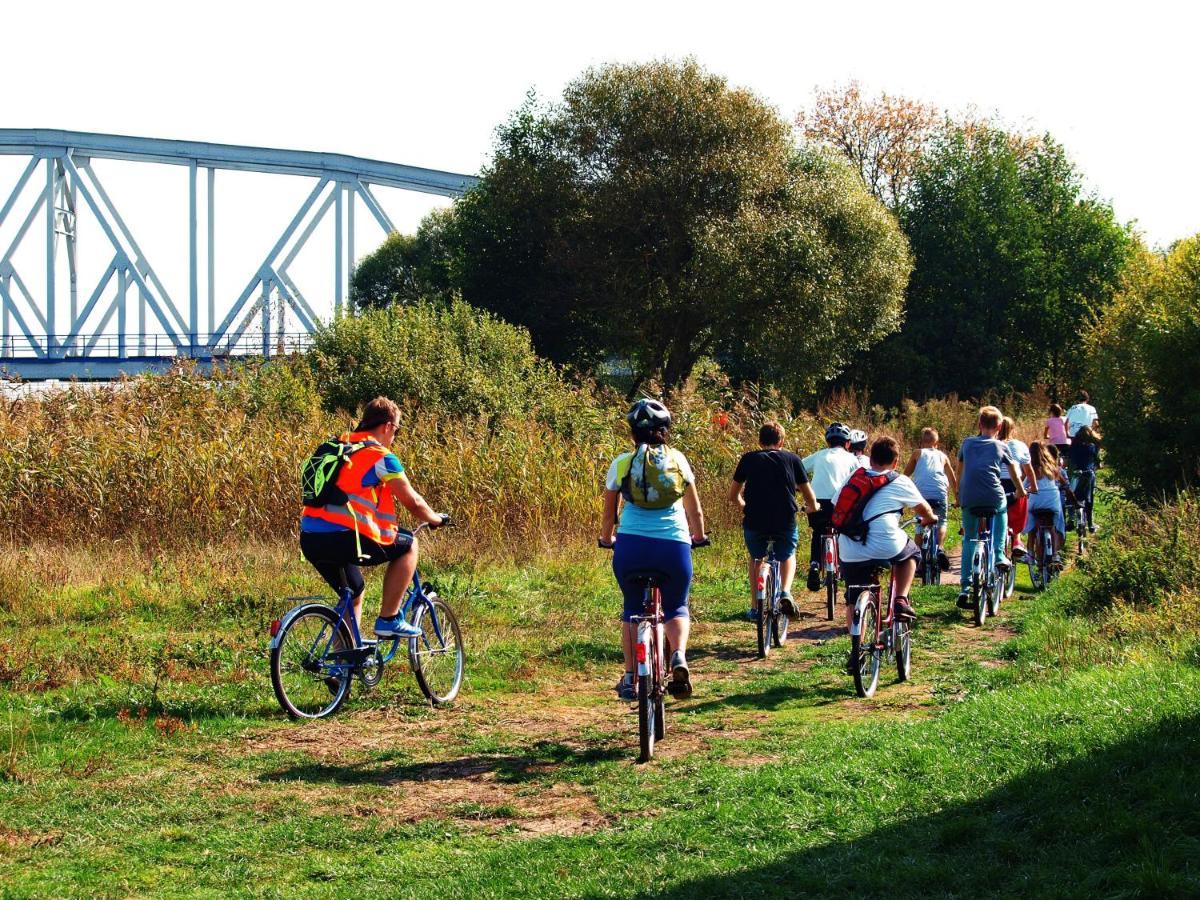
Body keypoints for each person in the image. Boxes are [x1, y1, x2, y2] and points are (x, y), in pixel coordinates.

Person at [300, 396, 448, 640]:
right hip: (346, 537)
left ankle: (342, 665)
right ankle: (389, 619)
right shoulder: (380, 456)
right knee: (409, 544)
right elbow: (413, 501)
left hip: (311, 538)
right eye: (396, 431)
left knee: (354, 592)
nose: (394, 438)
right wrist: (435, 519)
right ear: (388, 426)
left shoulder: (337, 446)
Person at [599, 399, 707, 702]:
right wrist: (698, 536)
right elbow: (694, 510)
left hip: (632, 546)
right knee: (676, 606)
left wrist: (607, 539)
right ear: (665, 431)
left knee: (632, 609)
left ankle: (631, 675)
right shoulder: (679, 460)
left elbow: (609, 515)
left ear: (633, 433)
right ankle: (679, 657)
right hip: (673, 546)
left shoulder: (622, 463)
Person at [838, 437, 938, 672]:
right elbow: (923, 509)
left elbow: (837, 506)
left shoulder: (854, 477)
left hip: (850, 545)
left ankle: (857, 648)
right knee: (910, 553)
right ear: (896, 462)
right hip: (885, 542)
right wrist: (930, 519)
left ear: (870, 459)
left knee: (854, 594)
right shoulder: (900, 480)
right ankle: (901, 599)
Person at [730, 421, 819, 620]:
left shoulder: (748, 459)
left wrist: (744, 506)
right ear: (782, 441)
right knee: (788, 554)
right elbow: (808, 494)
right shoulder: (792, 459)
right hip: (784, 519)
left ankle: (755, 608)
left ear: (760, 441)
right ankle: (786, 592)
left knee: (755, 558)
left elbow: (733, 495)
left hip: (754, 519)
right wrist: (813, 507)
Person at [954, 406, 1028, 610]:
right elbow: (1014, 471)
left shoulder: (967, 444)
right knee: (1002, 510)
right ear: (999, 426)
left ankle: (965, 588)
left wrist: (958, 495)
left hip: (969, 497)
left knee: (969, 538)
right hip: (994, 496)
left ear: (979, 424)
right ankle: (999, 554)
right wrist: (1021, 491)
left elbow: (959, 471)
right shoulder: (1002, 446)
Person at [802, 422, 861, 592]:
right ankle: (844, 566)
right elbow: (862, 477)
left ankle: (814, 565)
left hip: (817, 501)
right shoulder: (852, 458)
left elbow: (798, 468)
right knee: (843, 532)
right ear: (848, 443)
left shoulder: (819, 455)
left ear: (828, 442)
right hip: (841, 502)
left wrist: (801, 487)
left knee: (818, 532)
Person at [903, 427, 956, 570]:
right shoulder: (943, 456)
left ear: (922, 441)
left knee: (920, 525)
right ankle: (940, 548)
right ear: (937, 442)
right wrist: (957, 499)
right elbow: (952, 480)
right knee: (942, 521)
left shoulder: (917, 453)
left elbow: (905, 475)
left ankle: (918, 563)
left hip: (921, 495)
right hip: (939, 494)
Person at [1024, 441, 1078, 564]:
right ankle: (1055, 554)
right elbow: (1065, 485)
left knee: (1032, 523)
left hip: (1036, 501)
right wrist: (1074, 501)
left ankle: (1030, 553)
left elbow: (1023, 487)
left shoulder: (1031, 469)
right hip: (1053, 501)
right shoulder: (1052, 468)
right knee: (1053, 524)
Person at [998, 417, 1037, 559]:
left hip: (995, 483)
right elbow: (1029, 470)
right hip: (1014, 483)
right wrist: (1034, 486)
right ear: (1013, 429)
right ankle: (1016, 540)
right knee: (1019, 504)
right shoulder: (1020, 445)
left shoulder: (992, 444)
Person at [1068, 426, 1101, 532]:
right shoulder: (1093, 446)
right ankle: (1091, 524)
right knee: (1089, 498)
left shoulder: (1074, 445)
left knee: (1071, 495)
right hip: (1089, 474)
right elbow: (1097, 461)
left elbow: (1071, 459)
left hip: (1077, 473)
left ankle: (1071, 519)